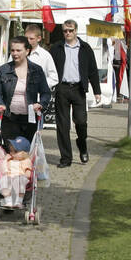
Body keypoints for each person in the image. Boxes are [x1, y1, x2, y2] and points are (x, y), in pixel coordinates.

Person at [49, 20, 103, 167]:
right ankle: (66, 158)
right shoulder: (57, 48)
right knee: (63, 125)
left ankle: (82, 144)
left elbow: (92, 70)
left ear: (76, 31)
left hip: (79, 89)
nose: (68, 33)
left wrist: (97, 91)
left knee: (80, 121)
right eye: (65, 31)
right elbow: (49, 67)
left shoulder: (85, 48)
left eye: (71, 30)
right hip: (62, 89)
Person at [0, 36, 52, 147]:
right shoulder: (3, 70)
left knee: (25, 152)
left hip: (29, 118)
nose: (15, 53)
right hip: (9, 117)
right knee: (12, 150)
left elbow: (46, 93)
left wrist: (41, 104)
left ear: (27, 51)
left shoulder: (36, 70)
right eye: (12, 50)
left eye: (18, 50)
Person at [25, 24, 58, 91]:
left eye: (31, 39)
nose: (28, 41)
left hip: (38, 96)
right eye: (26, 38)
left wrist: (40, 86)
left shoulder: (45, 55)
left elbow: (54, 78)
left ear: (39, 38)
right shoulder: (17, 52)